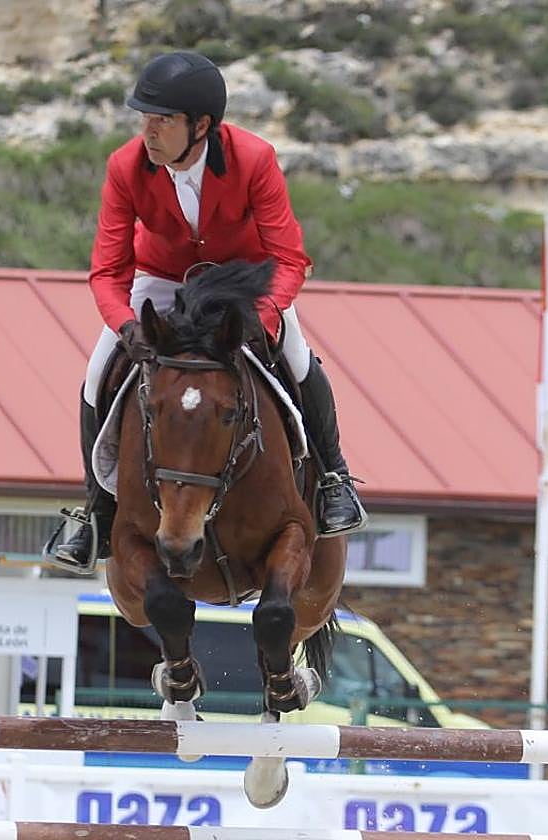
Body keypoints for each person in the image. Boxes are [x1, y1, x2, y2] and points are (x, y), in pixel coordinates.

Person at [51, 51, 367, 572]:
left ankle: (333, 479)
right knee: (95, 374)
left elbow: (289, 258)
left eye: (161, 121)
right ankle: (95, 512)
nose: (147, 132)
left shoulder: (254, 159)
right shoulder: (125, 167)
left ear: (201, 126)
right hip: (162, 281)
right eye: (144, 119)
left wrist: (260, 319)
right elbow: (108, 273)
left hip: (241, 281)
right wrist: (127, 327)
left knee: (298, 356)